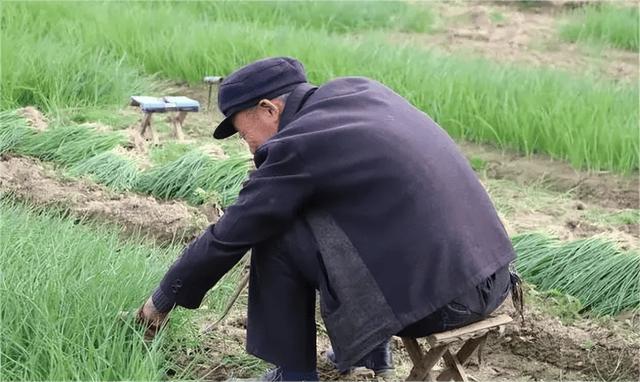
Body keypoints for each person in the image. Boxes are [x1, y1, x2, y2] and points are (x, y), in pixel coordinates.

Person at [136, 56, 518, 381]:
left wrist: (162, 298)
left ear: (270, 109)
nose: (246, 143)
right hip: (493, 276)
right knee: (342, 211)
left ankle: (293, 374)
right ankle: (373, 354)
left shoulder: (299, 143)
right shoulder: (357, 93)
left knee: (276, 231)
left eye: (242, 131)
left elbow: (233, 231)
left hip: (444, 302)